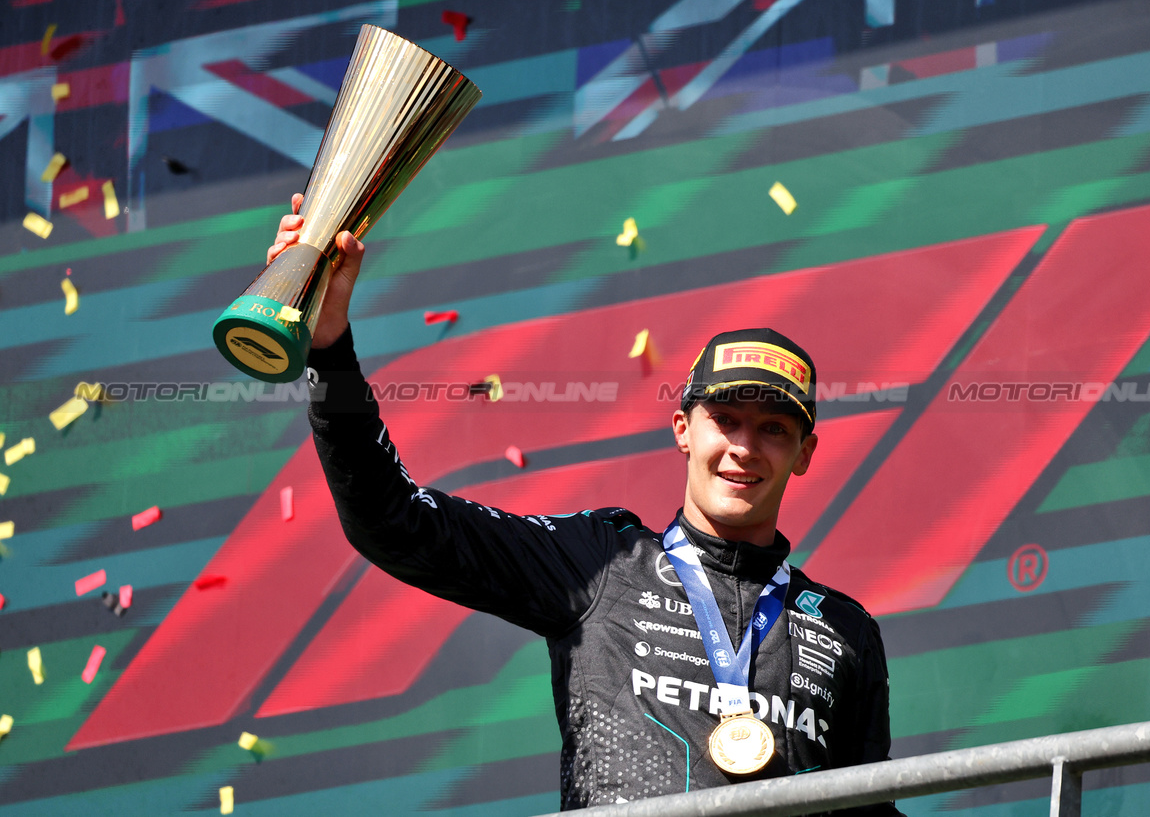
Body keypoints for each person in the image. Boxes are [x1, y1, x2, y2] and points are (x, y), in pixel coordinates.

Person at [269, 195, 903, 814]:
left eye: (773, 430)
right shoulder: (603, 562)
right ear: (683, 429)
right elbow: (392, 519)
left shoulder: (845, 630)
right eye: (726, 419)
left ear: (804, 453)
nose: (744, 448)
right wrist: (329, 348)